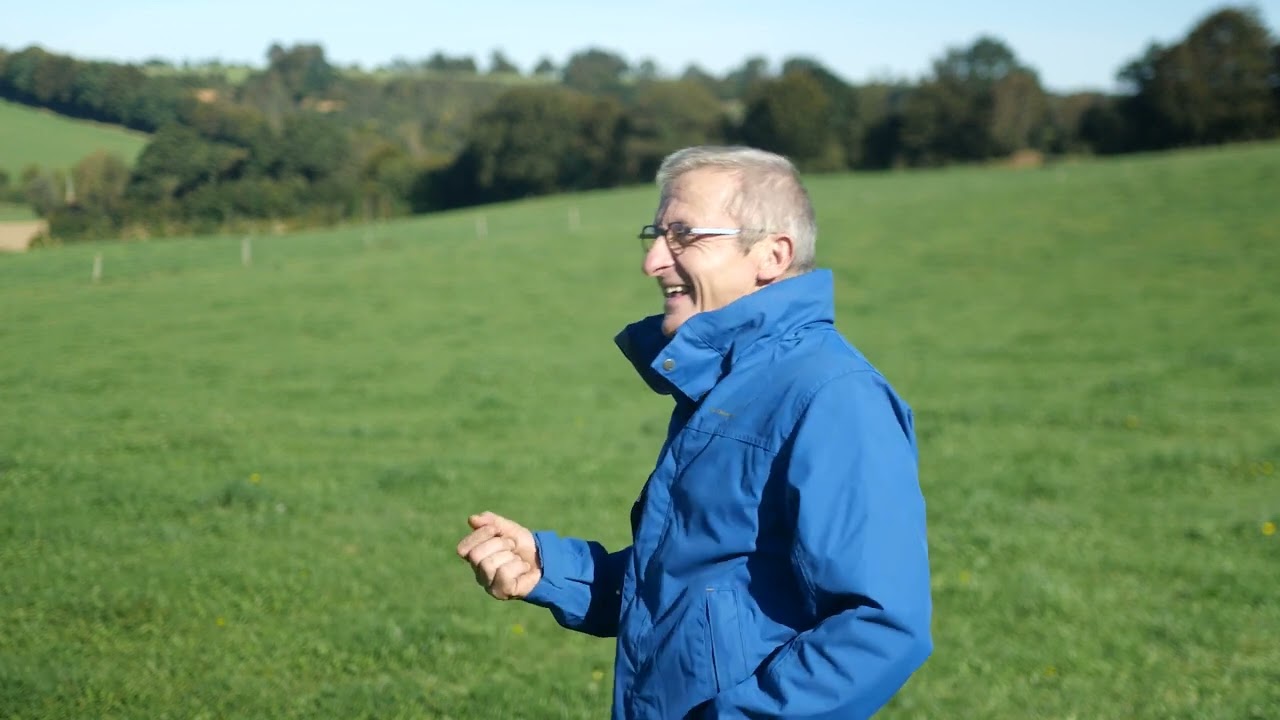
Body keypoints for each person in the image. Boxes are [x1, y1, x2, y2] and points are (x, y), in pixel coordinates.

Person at [457, 146, 932, 719]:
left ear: (771, 254)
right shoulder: (729, 384)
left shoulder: (831, 395)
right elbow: (700, 588)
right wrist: (553, 570)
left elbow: (879, 625)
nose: (654, 260)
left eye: (684, 235)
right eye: (655, 234)